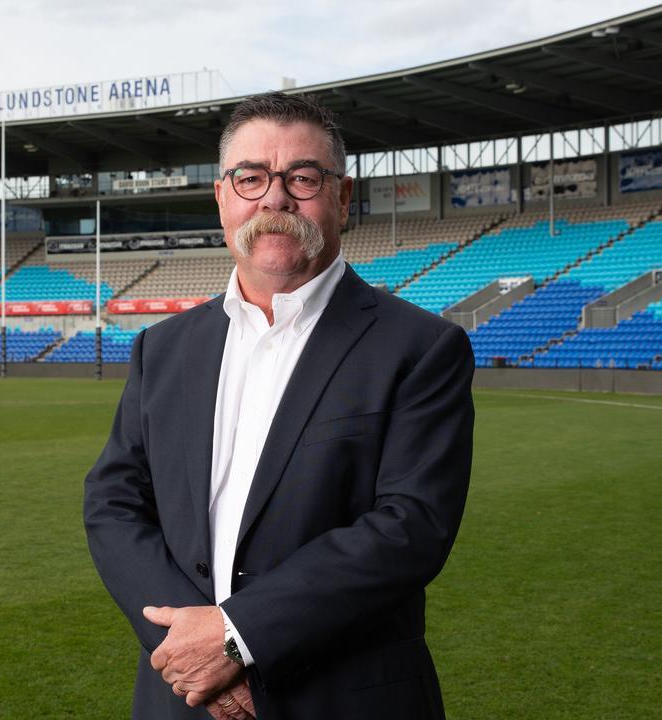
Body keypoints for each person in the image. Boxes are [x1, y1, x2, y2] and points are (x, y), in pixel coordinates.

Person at [84, 91, 474, 719]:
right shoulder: (162, 347)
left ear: (342, 198)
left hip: (340, 700)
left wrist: (238, 637)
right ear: (222, 197)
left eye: (301, 176)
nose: (274, 198)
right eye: (251, 177)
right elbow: (113, 502)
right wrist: (189, 647)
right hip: (183, 698)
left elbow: (410, 526)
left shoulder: (421, 347)